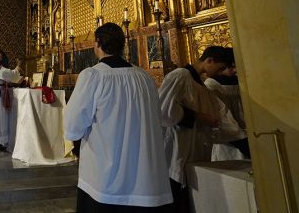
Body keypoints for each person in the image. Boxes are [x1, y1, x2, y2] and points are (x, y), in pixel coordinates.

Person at [64, 23, 172, 212]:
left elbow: (73, 126)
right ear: (122, 45)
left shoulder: (93, 76)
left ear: (97, 43)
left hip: (106, 180)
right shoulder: (144, 77)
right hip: (146, 178)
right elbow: (157, 117)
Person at [159, 46, 234, 212]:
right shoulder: (180, 75)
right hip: (178, 150)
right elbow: (163, 111)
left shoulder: (198, 82)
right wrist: (198, 116)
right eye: (220, 67)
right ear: (209, 60)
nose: (220, 72)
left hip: (194, 150)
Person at [204, 48, 250, 160]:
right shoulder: (211, 84)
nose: (234, 70)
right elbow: (221, 117)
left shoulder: (243, 82)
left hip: (248, 134)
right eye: (231, 66)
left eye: (236, 66)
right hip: (227, 142)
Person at [0, 48, 23, 150]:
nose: (1, 56)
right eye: (0, 54)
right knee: (0, 117)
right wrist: (18, 66)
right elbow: (12, 74)